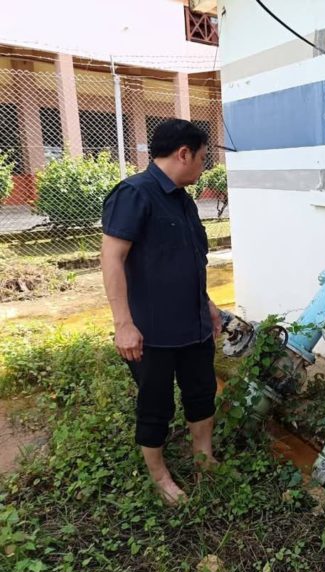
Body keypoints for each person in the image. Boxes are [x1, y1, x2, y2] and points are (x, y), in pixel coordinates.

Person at [101, 119, 222, 505]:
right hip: (152, 331)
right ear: (183, 153)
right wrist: (123, 323)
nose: (204, 166)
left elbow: (187, 259)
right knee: (156, 405)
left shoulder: (183, 199)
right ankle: (160, 476)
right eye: (202, 158)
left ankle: (203, 457)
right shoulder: (135, 194)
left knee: (202, 393)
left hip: (194, 325)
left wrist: (208, 304)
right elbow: (112, 259)